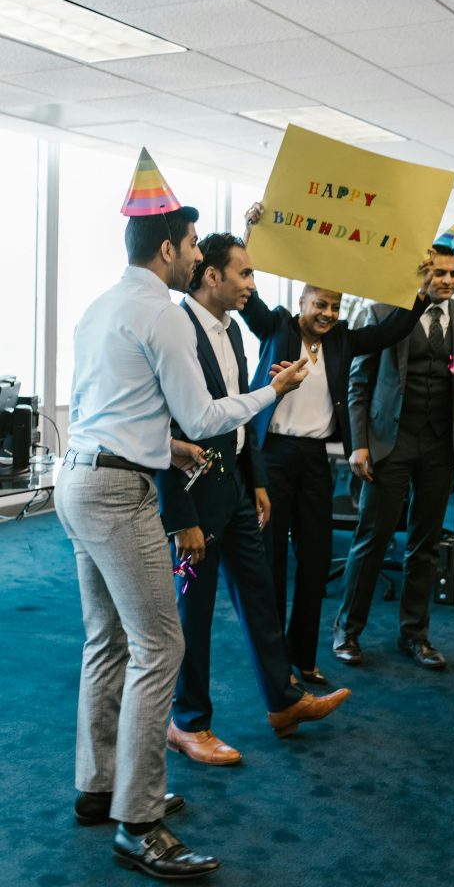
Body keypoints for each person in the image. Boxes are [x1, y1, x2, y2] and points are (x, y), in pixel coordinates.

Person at [54, 149, 308, 882]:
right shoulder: (161, 316)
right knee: (160, 646)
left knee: (108, 645)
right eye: (194, 247)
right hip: (118, 495)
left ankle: (99, 790)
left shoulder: (102, 306)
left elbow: (107, 410)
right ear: (167, 249)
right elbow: (203, 413)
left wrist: (169, 447)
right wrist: (274, 389)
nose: (196, 258)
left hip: (80, 481)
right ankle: (140, 822)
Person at [156, 232, 351, 760]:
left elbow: (241, 417)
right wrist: (179, 517)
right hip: (193, 499)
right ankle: (188, 722)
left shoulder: (231, 333)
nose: (252, 285)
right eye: (244, 274)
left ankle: (284, 702)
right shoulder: (178, 330)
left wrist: (257, 481)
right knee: (193, 611)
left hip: (238, 491)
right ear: (212, 276)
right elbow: (166, 427)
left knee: (261, 593)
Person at [240, 202, 434, 683]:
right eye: (319, 304)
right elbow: (251, 298)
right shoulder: (278, 326)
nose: (327, 313)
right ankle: (274, 665)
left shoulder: (344, 340)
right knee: (272, 563)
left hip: (313, 462)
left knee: (314, 561)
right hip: (271, 459)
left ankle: (303, 658)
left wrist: (421, 294)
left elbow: (394, 328)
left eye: (334, 306)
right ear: (303, 302)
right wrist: (251, 233)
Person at [333, 218, 454, 669]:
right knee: (372, 538)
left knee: (424, 545)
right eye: (439, 273)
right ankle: (348, 632)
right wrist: (359, 443)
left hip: (440, 446)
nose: (447, 281)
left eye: (453, 273)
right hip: (391, 442)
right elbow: (358, 383)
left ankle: (415, 636)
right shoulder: (383, 310)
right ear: (422, 273)